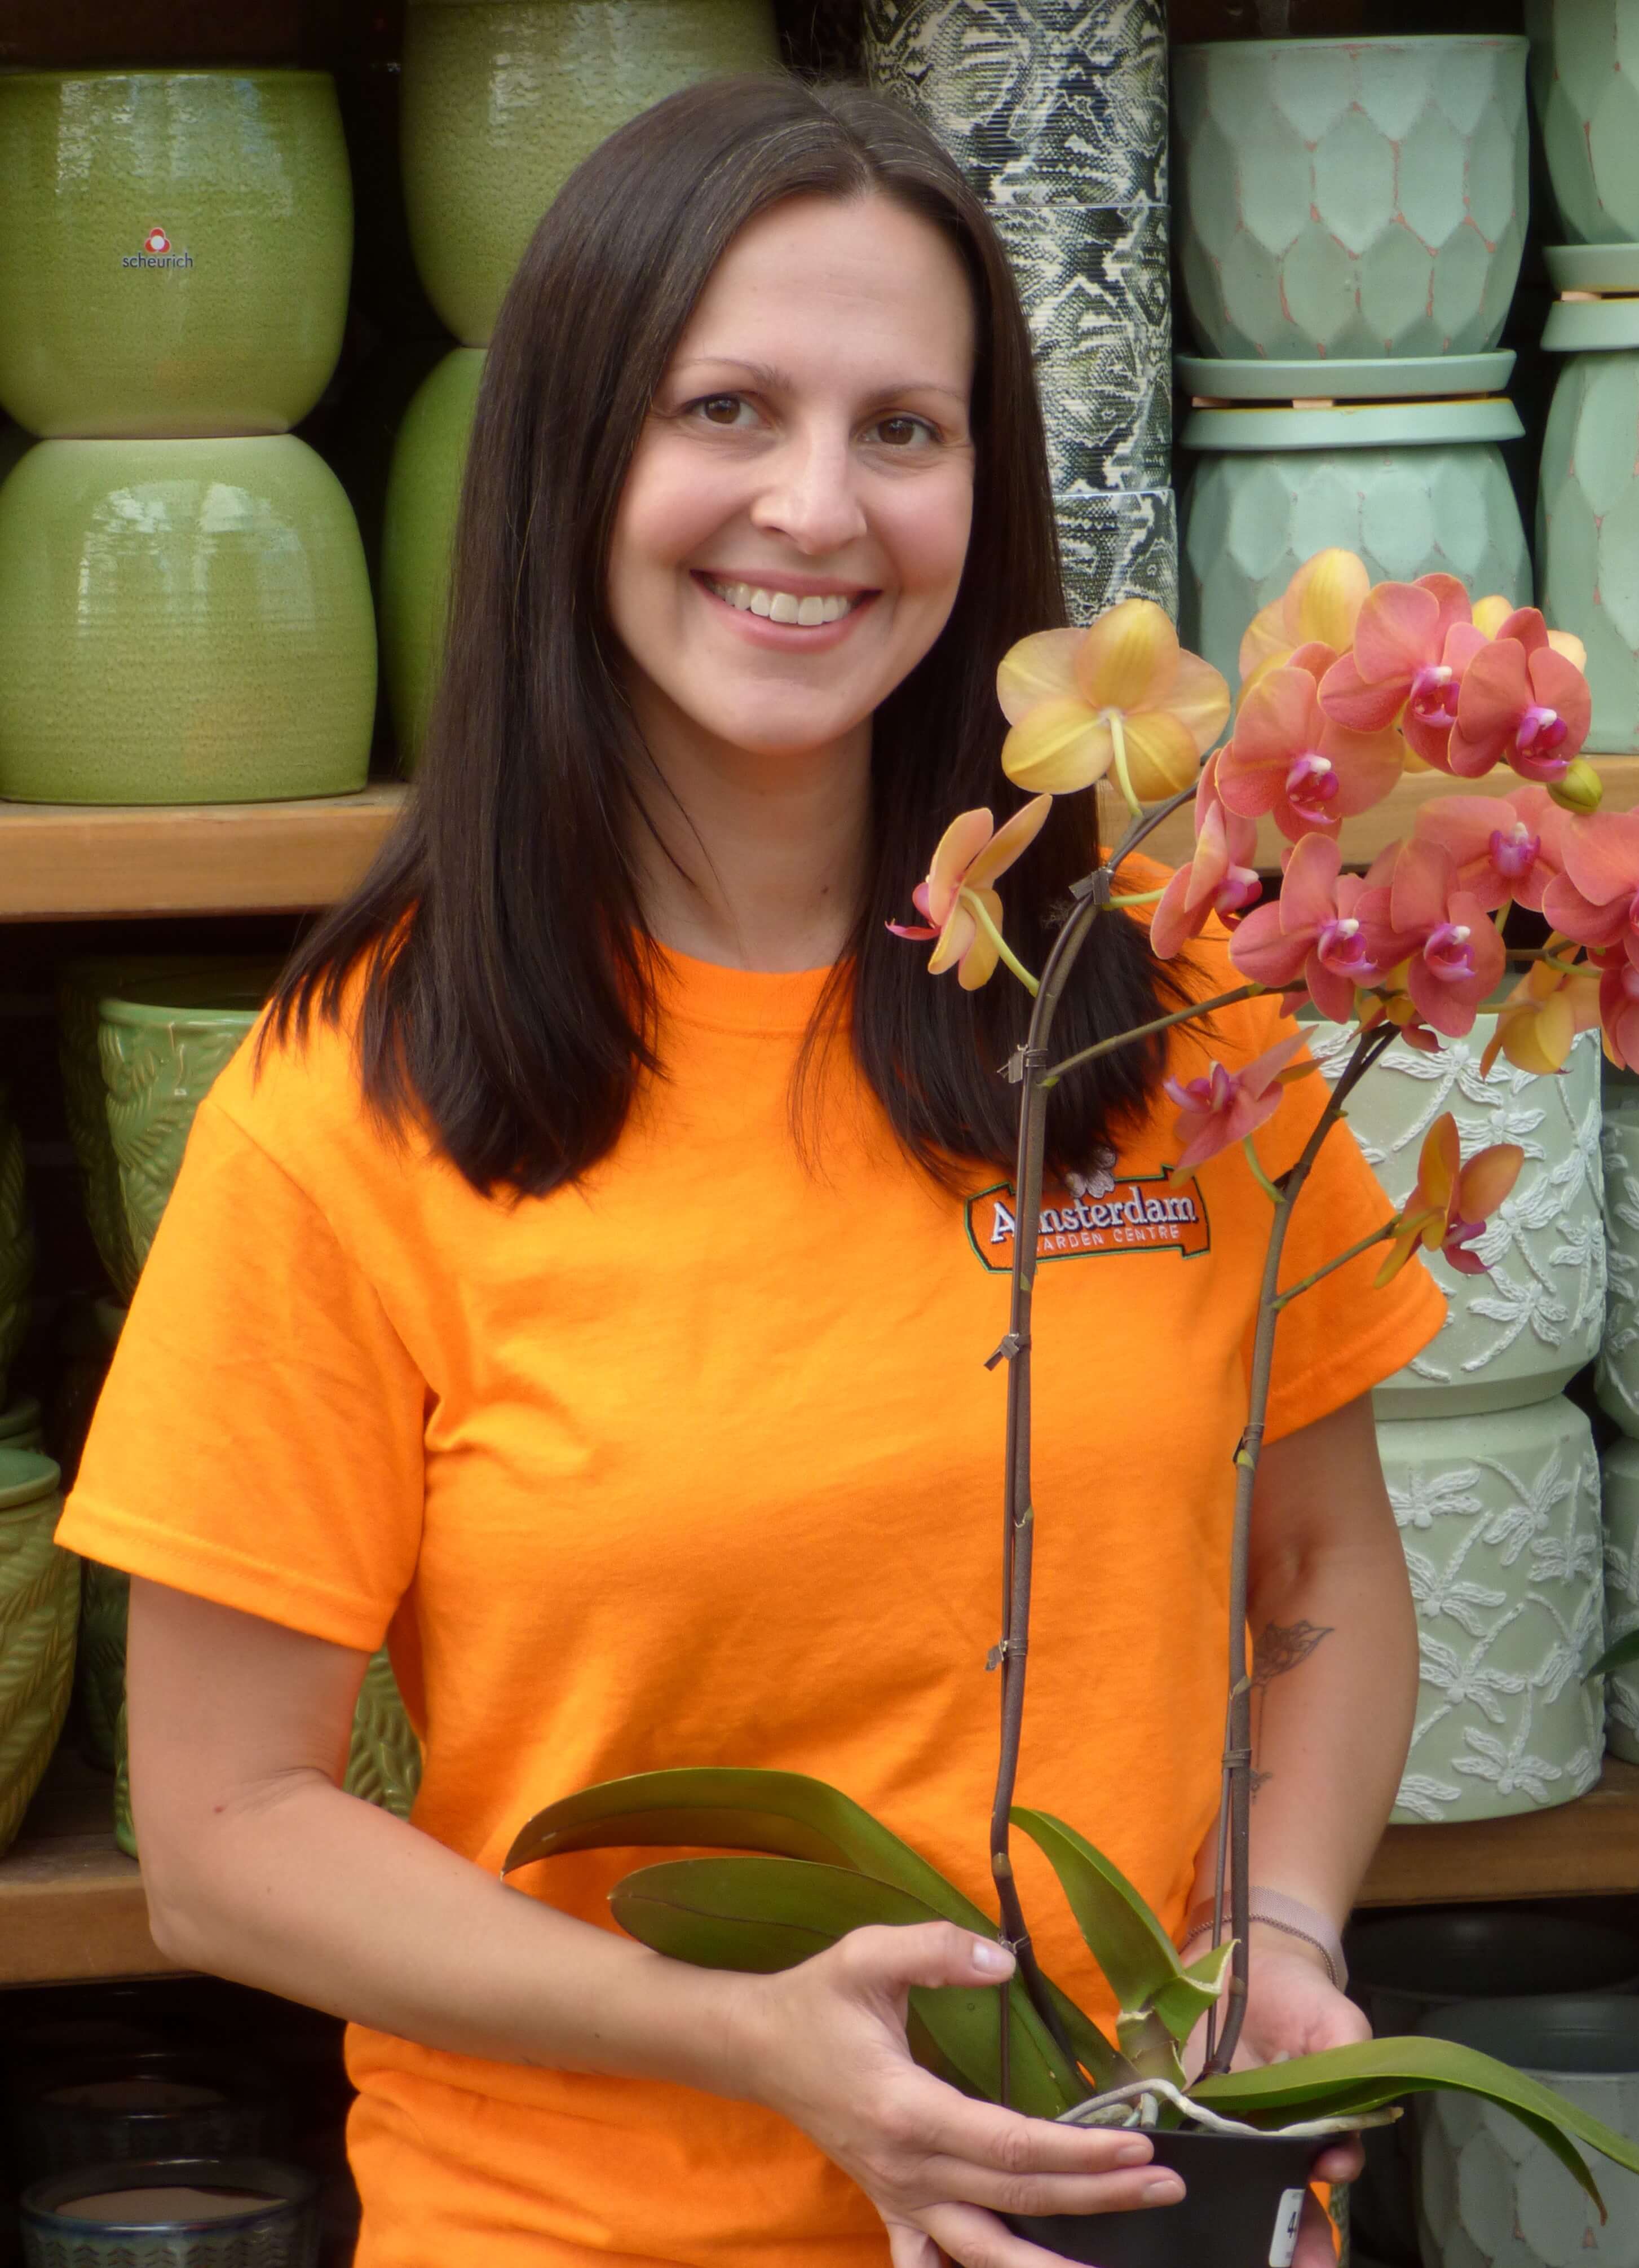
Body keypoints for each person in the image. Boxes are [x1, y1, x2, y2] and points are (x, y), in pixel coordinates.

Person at [60, 74, 1443, 2268]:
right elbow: (225, 1837)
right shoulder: (361, 1098)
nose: (814, 505)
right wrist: (740, 2034)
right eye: (725, 408)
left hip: (1127, 2207)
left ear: (980, 497)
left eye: (901, 426)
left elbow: (1326, 1589)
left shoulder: (1166, 1015)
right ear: (572, 465)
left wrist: (1271, 1928)